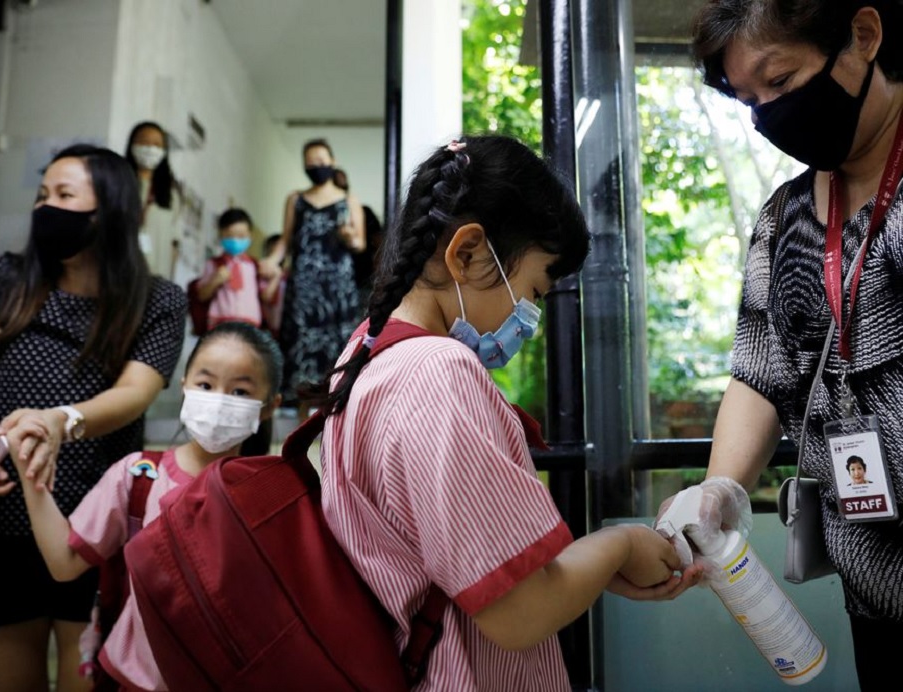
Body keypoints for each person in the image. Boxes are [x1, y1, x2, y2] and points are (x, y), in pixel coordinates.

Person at [312, 135, 700, 689]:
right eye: (535, 291)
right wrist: (621, 544)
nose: (530, 315)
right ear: (467, 253)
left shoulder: (366, 352)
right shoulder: (437, 374)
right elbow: (519, 613)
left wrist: (586, 572)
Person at [664, 2, 903, 689]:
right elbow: (760, 370)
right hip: (875, 580)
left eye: (780, 79)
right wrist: (720, 489)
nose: (770, 112)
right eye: (749, 98)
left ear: (863, 36)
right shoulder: (786, 217)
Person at [0, 144, 186, 692]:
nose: (46, 208)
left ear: (109, 208)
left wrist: (62, 419)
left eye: (65, 196)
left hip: (93, 531)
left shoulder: (157, 299)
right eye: (42, 195)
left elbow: (137, 391)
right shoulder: (0, 278)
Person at [16, 321, 282, 691]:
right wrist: (30, 472)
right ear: (184, 385)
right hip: (138, 678)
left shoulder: (275, 492)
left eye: (239, 390)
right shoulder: (139, 476)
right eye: (205, 385)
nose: (219, 400)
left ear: (269, 406)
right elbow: (64, 563)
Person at [258, 138, 365, 416]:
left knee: (339, 348)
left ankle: (336, 417)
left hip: (338, 288)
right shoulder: (296, 199)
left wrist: (348, 236)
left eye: (321, 160)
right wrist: (272, 259)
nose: (316, 166)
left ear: (332, 161)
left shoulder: (348, 200)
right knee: (301, 347)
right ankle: (302, 423)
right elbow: (285, 240)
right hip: (304, 286)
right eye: (310, 162)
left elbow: (360, 243)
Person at [125, 121, 183, 281]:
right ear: (132, 145)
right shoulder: (119, 184)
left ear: (164, 151)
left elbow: (174, 245)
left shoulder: (172, 194)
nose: (150, 148)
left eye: (157, 144)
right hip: (120, 276)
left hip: (155, 279)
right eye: (144, 141)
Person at [195, 207, 263, 330]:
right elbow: (201, 295)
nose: (236, 240)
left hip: (250, 323)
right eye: (230, 236)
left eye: (241, 236)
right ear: (221, 235)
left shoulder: (255, 266)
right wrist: (215, 281)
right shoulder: (213, 264)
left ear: (250, 235)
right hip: (220, 322)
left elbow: (265, 296)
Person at [332, 167, 385, 314]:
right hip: (332, 282)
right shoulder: (322, 218)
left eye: (344, 183)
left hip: (362, 279)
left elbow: (378, 240)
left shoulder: (363, 212)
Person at [259, 233, 287, 339]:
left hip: (284, 328)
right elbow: (266, 297)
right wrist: (276, 277)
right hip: (266, 326)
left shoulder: (289, 277)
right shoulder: (262, 275)